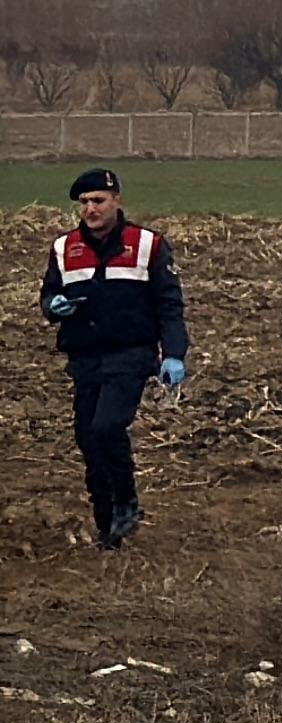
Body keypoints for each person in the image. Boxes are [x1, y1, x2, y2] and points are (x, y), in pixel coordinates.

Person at [35, 168, 189, 548]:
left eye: (98, 201)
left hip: (131, 354)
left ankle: (126, 501)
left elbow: (169, 305)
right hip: (85, 356)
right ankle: (108, 527)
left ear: (116, 200)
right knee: (88, 440)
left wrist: (173, 354)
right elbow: (48, 295)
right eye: (85, 203)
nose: (91, 209)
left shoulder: (148, 245)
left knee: (107, 428)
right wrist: (52, 306)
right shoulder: (63, 248)